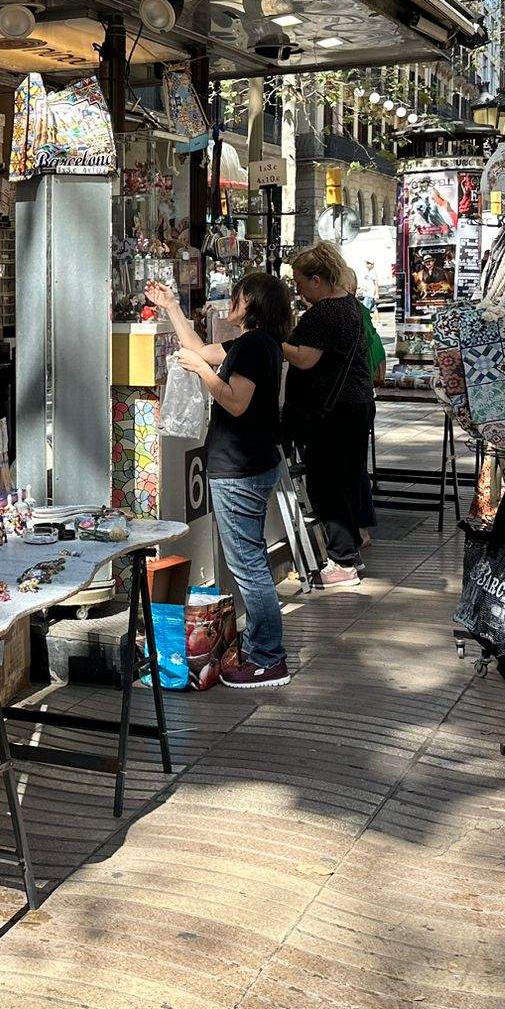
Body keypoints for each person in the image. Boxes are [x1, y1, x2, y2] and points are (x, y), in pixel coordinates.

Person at [148, 273, 294, 689]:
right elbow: (197, 348)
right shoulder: (257, 344)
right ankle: (262, 650)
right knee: (250, 561)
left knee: (248, 565)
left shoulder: (253, 346)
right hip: (251, 464)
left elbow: (234, 400)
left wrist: (201, 372)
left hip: (241, 469)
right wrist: (172, 307)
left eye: (238, 295)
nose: (232, 301)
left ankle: (268, 659)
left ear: (253, 303)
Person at [282, 243, 375, 586]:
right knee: (347, 479)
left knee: (327, 484)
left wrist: (271, 341)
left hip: (331, 412)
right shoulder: (350, 306)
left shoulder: (323, 313)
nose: (299, 289)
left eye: (301, 282)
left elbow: (305, 358)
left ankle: (342, 562)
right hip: (356, 404)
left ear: (317, 280)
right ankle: (350, 553)